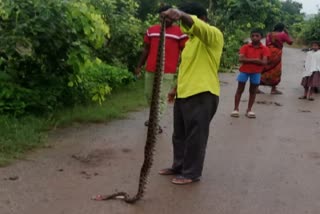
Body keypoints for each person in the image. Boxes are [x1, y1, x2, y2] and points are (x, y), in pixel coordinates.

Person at [158, 2, 224, 185]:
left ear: (201, 19)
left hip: (203, 93)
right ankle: (179, 166)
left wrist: (180, 14)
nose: (183, 26)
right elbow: (188, 68)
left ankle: (191, 173)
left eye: (185, 20)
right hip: (184, 94)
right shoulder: (190, 42)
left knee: (196, 135)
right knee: (179, 135)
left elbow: (198, 26)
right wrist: (176, 89)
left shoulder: (213, 35)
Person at [135, 5, 188, 134]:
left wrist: (183, 69)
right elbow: (146, 49)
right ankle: (153, 118)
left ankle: (155, 123)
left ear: (174, 18)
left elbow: (185, 53)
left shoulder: (179, 33)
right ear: (160, 16)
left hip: (167, 71)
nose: (167, 19)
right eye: (164, 16)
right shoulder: (152, 30)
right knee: (149, 95)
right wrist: (139, 66)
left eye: (170, 17)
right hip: (151, 69)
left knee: (161, 97)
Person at [231, 29, 270, 118]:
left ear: (261, 37)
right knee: (239, 90)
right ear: (250, 36)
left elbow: (264, 62)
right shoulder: (245, 47)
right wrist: (256, 60)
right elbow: (240, 59)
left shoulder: (264, 49)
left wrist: (248, 60)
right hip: (244, 71)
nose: (254, 37)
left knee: (253, 91)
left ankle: (249, 109)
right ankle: (236, 109)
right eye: (252, 36)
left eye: (257, 36)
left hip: (256, 72)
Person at [257, 23, 293, 94]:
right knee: (276, 70)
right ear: (282, 28)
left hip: (267, 52)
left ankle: (256, 87)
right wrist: (287, 33)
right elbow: (290, 42)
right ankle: (273, 89)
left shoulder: (269, 34)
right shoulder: (283, 35)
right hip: (277, 53)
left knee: (264, 68)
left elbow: (267, 44)